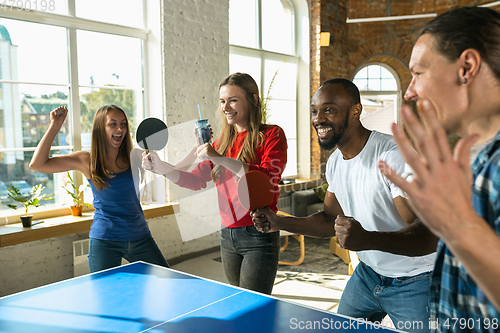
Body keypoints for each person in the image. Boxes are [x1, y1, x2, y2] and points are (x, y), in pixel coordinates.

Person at [252, 78, 437, 332]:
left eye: (329, 109)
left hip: (416, 279)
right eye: (315, 111)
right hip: (369, 274)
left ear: (356, 111)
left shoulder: (392, 155)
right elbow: (329, 220)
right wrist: (279, 221)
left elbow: (428, 235)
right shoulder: (337, 162)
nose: (318, 119)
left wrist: (368, 239)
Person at [378, 6, 500, 332]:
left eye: (418, 73)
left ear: (467, 67)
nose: (409, 91)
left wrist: (458, 225)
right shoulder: (474, 158)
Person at [142, 72, 287, 295]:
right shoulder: (221, 142)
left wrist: (219, 158)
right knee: (238, 303)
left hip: (259, 232)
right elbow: (195, 180)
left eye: (233, 100)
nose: (226, 107)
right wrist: (161, 168)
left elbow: (266, 177)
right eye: (222, 101)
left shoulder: (272, 135)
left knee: (254, 306)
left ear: (254, 99)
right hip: (227, 235)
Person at [30, 105, 169, 273]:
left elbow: (176, 172)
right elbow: (37, 164)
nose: (120, 129)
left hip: (140, 238)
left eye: (124, 124)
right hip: (105, 241)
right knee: (104, 297)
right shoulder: (86, 160)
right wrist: (55, 125)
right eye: (113, 124)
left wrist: (160, 162)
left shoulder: (136, 156)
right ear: (100, 128)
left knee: (169, 284)